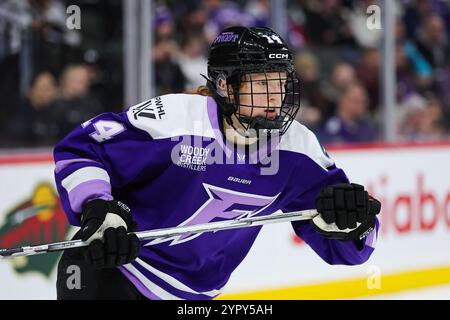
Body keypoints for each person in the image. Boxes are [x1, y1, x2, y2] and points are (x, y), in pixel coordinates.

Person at [54, 26, 381, 300]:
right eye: (262, 83)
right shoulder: (176, 119)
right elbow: (84, 148)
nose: (275, 97)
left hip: (192, 298)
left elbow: (354, 250)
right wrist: (99, 207)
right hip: (112, 269)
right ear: (226, 85)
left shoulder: (298, 149)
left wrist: (354, 224)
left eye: (280, 83)